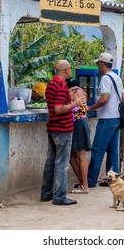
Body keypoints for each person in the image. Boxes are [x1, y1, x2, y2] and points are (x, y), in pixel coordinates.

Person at [40, 59, 85, 206]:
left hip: (53, 128)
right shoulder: (60, 85)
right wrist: (74, 104)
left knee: (51, 162)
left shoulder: (52, 84)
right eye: (70, 67)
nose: (71, 70)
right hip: (63, 129)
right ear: (66, 69)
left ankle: (46, 193)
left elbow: (56, 103)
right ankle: (59, 196)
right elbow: (58, 109)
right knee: (62, 163)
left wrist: (68, 93)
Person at [87, 53, 124, 188]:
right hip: (117, 118)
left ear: (102, 64)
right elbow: (123, 96)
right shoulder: (116, 77)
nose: (98, 66)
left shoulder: (105, 79)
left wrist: (91, 108)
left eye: (98, 63)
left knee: (97, 150)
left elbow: (104, 99)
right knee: (113, 151)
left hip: (107, 118)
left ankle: (90, 180)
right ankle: (112, 179)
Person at [66, 78, 91, 194]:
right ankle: (82, 183)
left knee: (80, 156)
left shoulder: (73, 92)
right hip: (81, 122)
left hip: (78, 123)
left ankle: (85, 186)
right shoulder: (82, 92)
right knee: (72, 156)